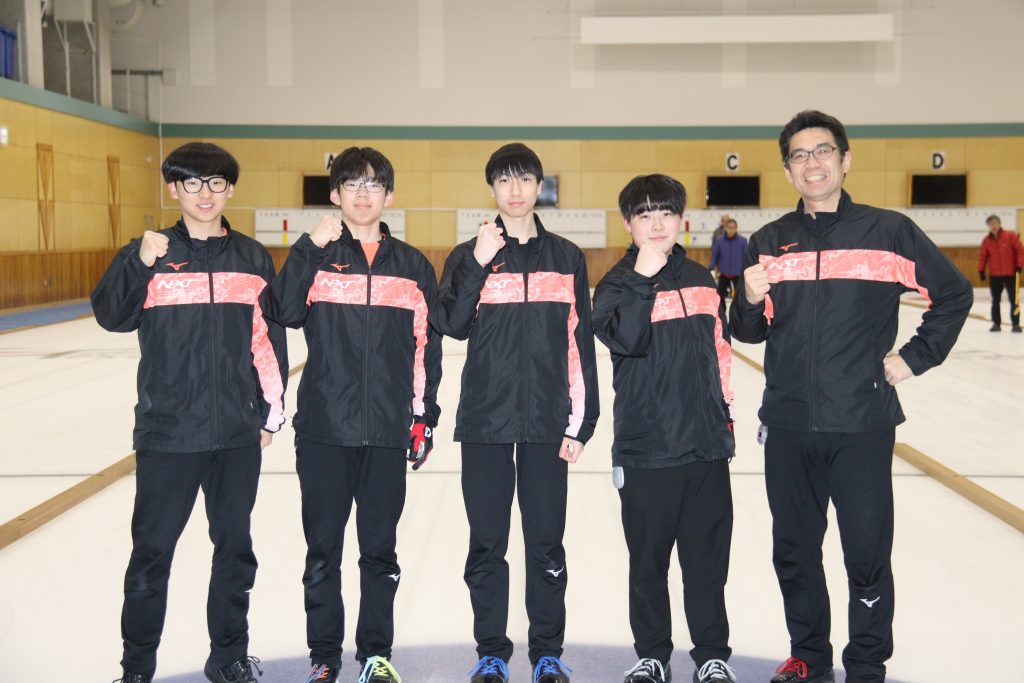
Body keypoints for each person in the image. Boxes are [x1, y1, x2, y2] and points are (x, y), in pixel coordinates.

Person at [730, 111, 972, 683]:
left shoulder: (888, 232)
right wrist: (747, 298)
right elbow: (748, 332)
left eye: (822, 151)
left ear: (845, 160)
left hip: (861, 422)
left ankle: (866, 664)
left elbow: (954, 293)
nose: (812, 163)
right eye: (799, 156)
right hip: (788, 423)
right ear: (788, 171)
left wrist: (914, 358)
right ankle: (809, 656)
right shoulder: (768, 242)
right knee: (794, 550)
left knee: (865, 553)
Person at [92, 142, 288, 683]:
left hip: (236, 434)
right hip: (168, 433)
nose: (206, 194)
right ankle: (137, 669)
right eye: (193, 183)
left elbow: (268, 338)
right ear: (173, 189)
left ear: (230, 189)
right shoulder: (149, 253)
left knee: (235, 551)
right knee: (152, 555)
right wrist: (137, 262)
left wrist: (268, 413)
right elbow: (111, 315)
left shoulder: (251, 257)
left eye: (216, 182)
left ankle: (227, 658)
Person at [267, 147, 442, 683]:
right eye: (352, 184)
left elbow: (426, 348)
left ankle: (375, 654)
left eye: (373, 185)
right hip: (324, 429)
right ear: (335, 194)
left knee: (380, 551)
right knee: (323, 550)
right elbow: (283, 311)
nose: (363, 195)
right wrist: (307, 248)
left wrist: (423, 417)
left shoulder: (412, 266)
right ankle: (325, 656)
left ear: (389, 195)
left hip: (387, 431)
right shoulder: (317, 256)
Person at [433, 142, 599, 683]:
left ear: (539, 185)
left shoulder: (567, 257)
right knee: (487, 543)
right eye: (504, 180)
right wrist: (477, 264)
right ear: (492, 188)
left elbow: (580, 341)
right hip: (485, 419)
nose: (515, 190)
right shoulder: (469, 254)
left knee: (546, 543)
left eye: (524, 179)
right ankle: (492, 653)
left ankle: (547, 652)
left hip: (547, 422)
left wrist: (583, 420)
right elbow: (451, 324)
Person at [592, 175, 738, 683]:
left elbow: (721, 354)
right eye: (644, 214)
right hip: (646, 449)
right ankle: (653, 654)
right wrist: (641, 279)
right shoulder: (614, 285)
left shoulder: (701, 280)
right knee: (648, 564)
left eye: (666, 213)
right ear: (628, 223)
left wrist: (724, 422)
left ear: (682, 220)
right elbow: (627, 341)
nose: (656, 224)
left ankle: (711, 656)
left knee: (707, 564)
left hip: (704, 447)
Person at [977, 214, 1024, 332]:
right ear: (988, 226)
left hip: (1011, 274)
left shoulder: (1010, 236)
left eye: (995, 223)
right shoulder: (987, 240)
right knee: (995, 300)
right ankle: (996, 324)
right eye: (990, 224)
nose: (993, 226)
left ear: (999, 223)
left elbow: (1020, 250)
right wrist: (981, 270)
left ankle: (1016, 324)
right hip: (995, 275)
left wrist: (1019, 265)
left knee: (1014, 300)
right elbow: (983, 256)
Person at [709, 218, 747, 303]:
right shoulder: (719, 240)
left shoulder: (743, 241)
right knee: (720, 296)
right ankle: (722, 310)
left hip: (738, 274)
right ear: (725, 228)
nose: (731, 230)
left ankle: (737, 310)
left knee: (739, 296)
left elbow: (747, 257)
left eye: (733, 228)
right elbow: (715, 255)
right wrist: (711, 267)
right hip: (723, 273)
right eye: (729, 227)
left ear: (736, 228)